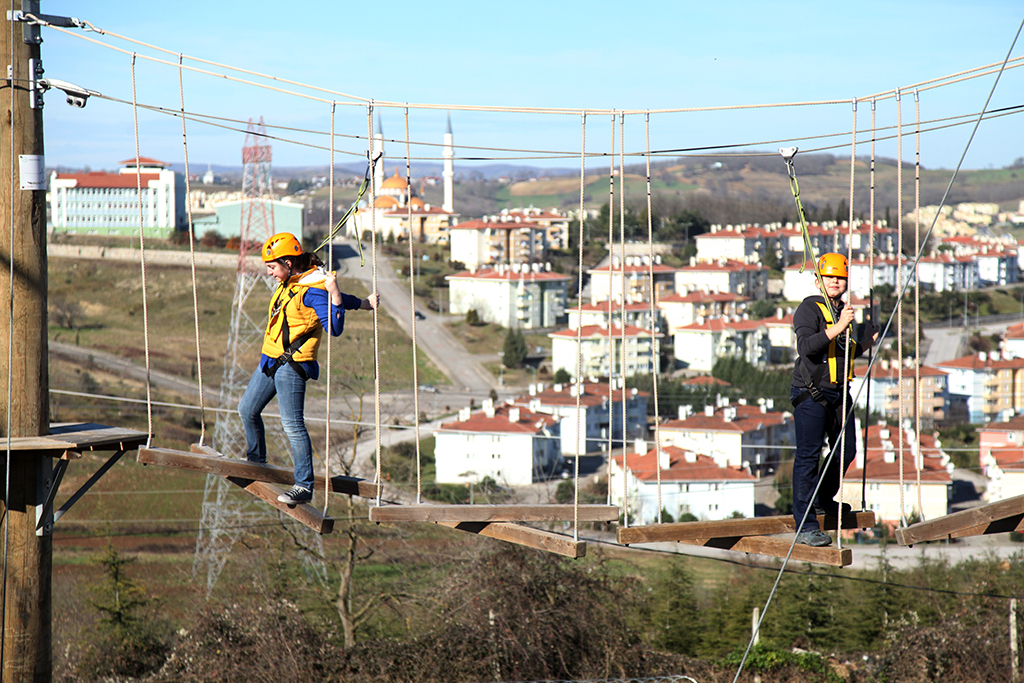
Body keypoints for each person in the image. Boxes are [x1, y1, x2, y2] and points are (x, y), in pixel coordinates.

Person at [239, 232, 379, 505]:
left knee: (292, 425)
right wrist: (362, 303)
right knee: (246, 409)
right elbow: (331, 295)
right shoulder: (297, 279)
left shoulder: (313, 289)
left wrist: (337, 293)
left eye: (272, 267)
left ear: (289, 263)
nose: (270, 273)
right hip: (270, 361)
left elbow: (335, 327)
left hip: (291, 366)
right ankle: (257, 462)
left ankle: (303, 486)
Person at [790, 252, 878, 547]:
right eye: (830, 278)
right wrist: (840, 326)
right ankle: (805, 525)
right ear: (818, 281)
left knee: (848, 449)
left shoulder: (843, 313)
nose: (835, 282)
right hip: (811, 392)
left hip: (838, 393)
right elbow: (807, 348)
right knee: (808, 456)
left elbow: (843, 353)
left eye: (840, 278)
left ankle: (821, 499)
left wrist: (867, 341)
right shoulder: (809, 309)